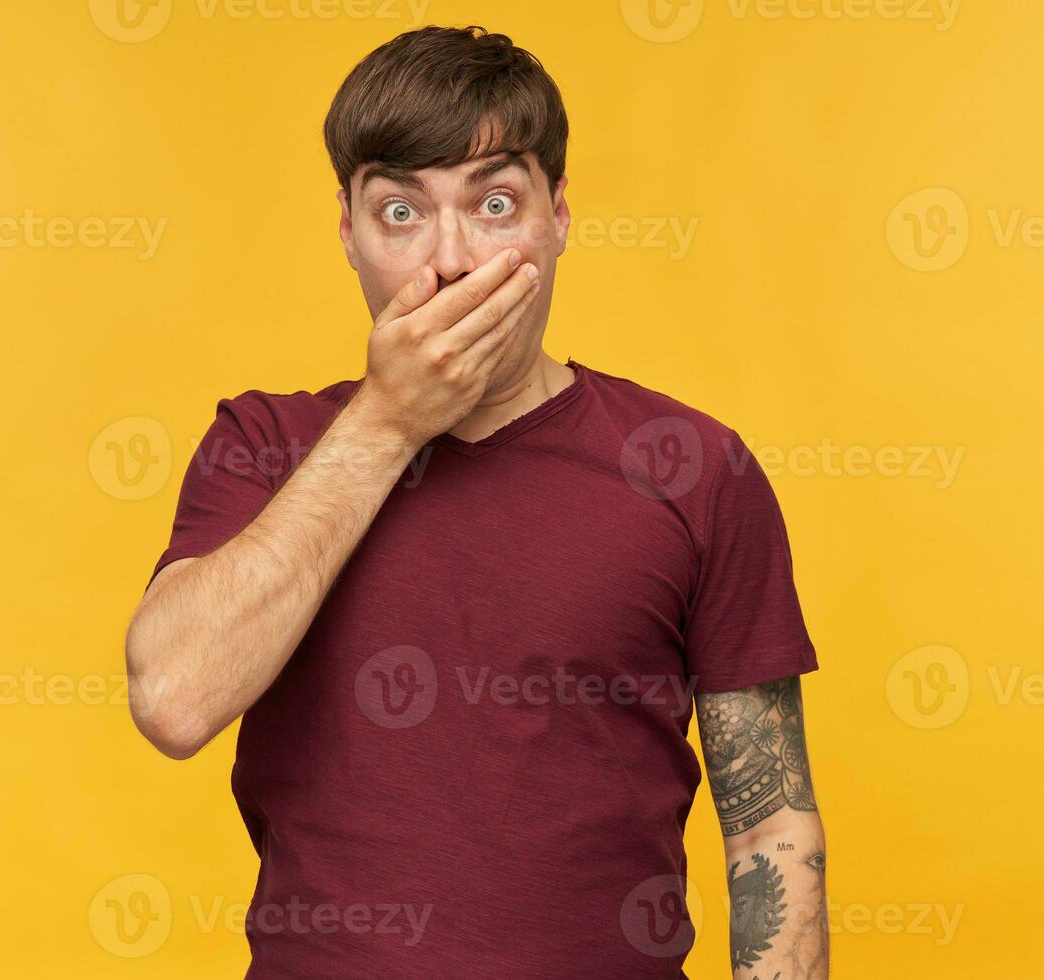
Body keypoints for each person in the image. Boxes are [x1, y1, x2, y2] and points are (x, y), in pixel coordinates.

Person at [125, 24, 828, 979]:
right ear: (347, 232)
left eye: (494, 202)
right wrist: (387, 421)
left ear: (560, 217)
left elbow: (770, 832)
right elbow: (173, 700)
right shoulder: (263, 445)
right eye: (401, 212)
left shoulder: (695, 469)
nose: (451, 262)